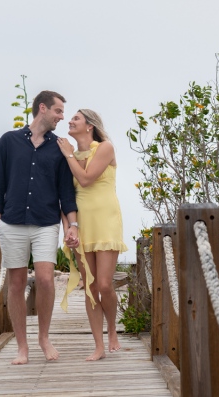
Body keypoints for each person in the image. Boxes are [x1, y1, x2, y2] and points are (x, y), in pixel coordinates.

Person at [0, 90, 79, 365]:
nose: (62, 117)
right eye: (59, 111)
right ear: (43, 108)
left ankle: (43, 337)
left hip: (46, 222)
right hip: (12, 222)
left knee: (45, 279)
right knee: (15, 284)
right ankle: (22, 347)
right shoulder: (8, 141)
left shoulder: (59, 147)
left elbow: (66, 191)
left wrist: (71, 225)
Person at [57, 108, 128, 361]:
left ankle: (112, 332)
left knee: (105, 284)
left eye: (75, 118)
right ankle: (98, 345)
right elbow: (65, 197)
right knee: (90, 286)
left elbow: (86, 179)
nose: (70, 121)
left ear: (89, 125)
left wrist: (67, 155)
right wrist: (68, 229)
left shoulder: (105, 147)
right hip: (82, 223)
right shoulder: (70, 156)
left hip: (106, 219)